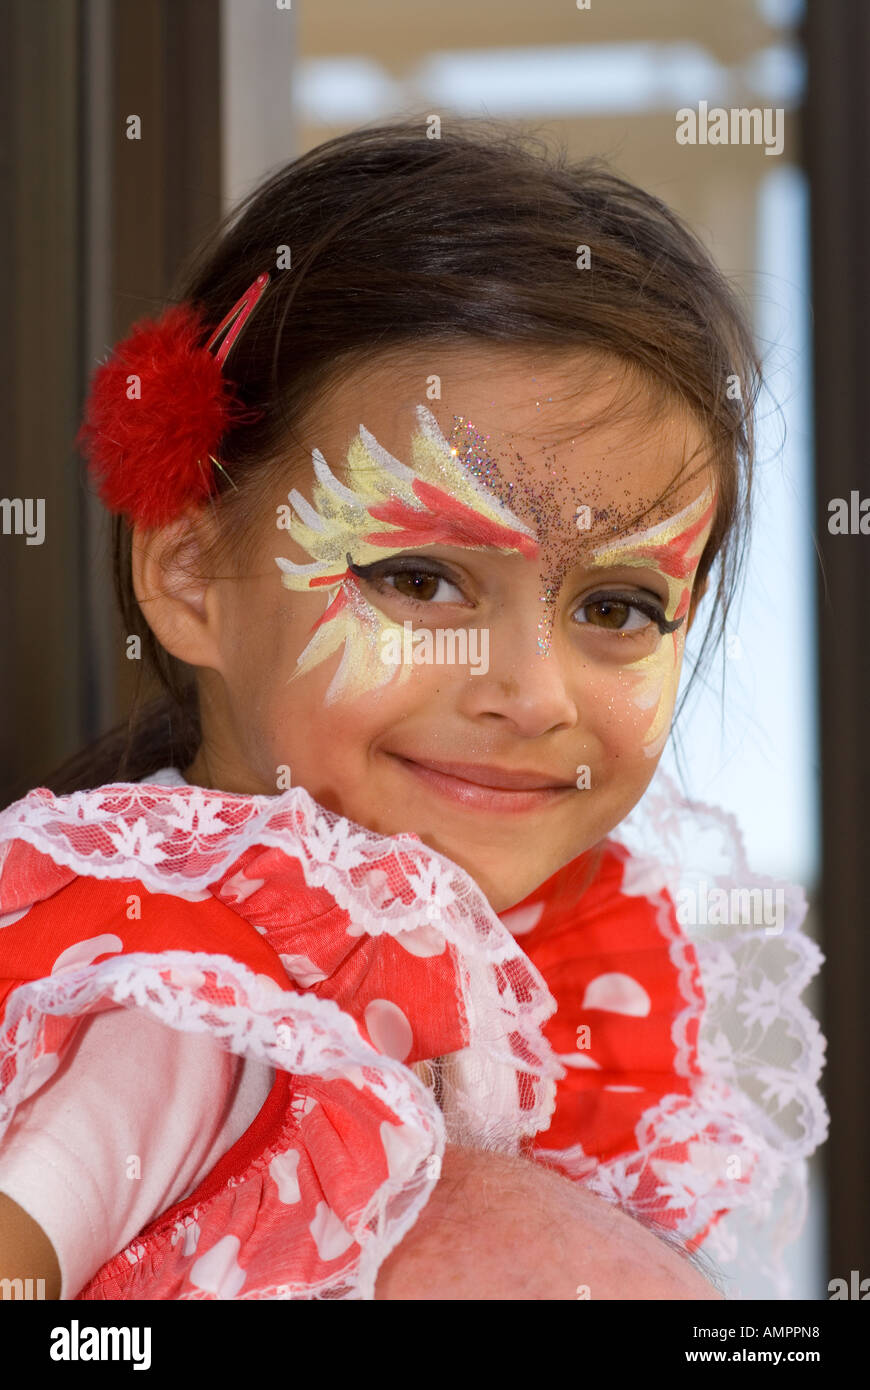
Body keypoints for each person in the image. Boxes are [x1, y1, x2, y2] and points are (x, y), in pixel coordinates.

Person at [0, 119, 825, 1301]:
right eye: (420, 579)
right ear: (190, 577)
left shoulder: (567, 981)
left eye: (618, 605)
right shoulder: (178, 998)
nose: (532, 695)